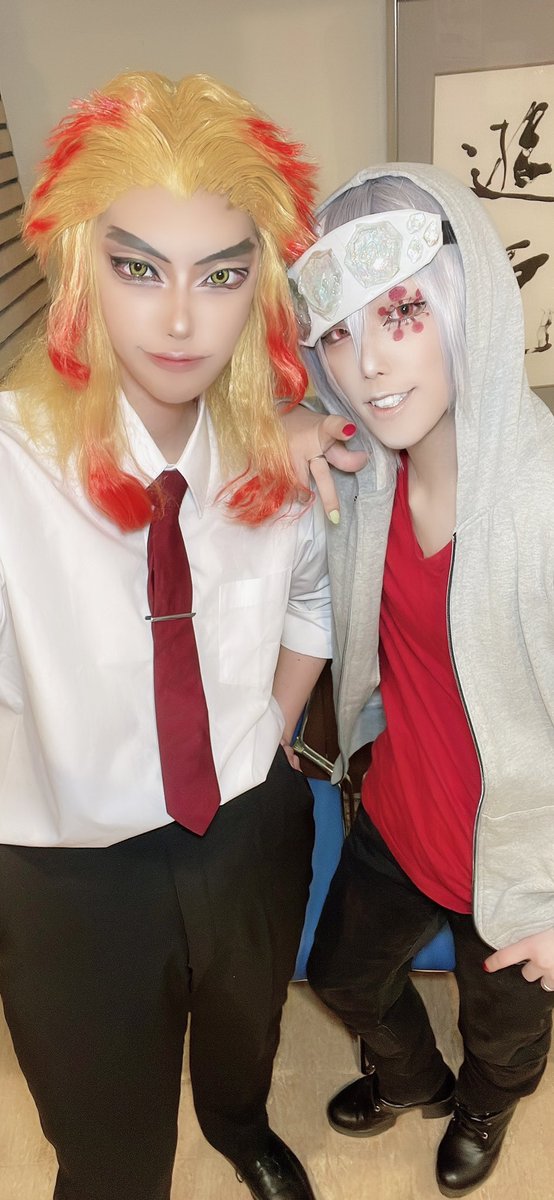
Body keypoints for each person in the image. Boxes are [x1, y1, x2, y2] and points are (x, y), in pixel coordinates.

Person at [0, 70, 333, 1200]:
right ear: (81, 268)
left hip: (244, 819)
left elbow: (310, 599)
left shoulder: (276, 455)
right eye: (140, 269)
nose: (182, 320)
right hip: (69, 865)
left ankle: (240, 1127)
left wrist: (272, 726)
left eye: (221, 275)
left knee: (245, 1033)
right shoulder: (14, 465)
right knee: (106, 1149)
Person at [287, 163, 554, 1196]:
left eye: (398, 314)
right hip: (400, 815)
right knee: (343, 975)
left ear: (461, 300)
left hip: (521, 860)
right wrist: (292, 426)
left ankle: (484, 1104)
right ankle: (413, 1079)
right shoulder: (366, 471)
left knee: (507, 1036)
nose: (365, 366)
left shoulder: (540, 502)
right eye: (337, 332)